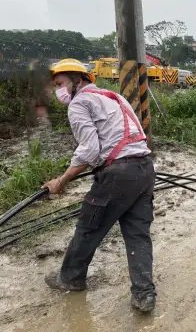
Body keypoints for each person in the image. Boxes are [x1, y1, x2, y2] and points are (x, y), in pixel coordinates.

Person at [42, 59, 157, 313]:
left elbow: (90, 149)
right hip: (145, 168)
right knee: (138, 234)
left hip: (118, 174)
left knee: (88, 227)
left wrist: (61, 181)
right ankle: (144, 294)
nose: (58, 90)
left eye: (61, 83)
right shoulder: (114, 96)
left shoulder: (79, 103)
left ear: (78, 80)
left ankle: (71, 278)